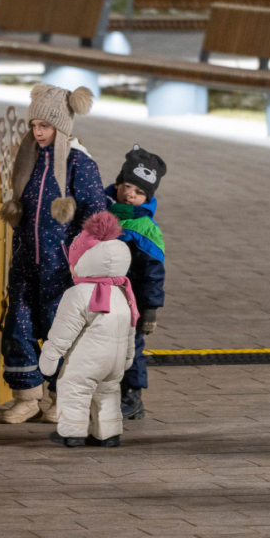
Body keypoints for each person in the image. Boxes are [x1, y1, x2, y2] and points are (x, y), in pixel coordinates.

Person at [0, 84, 107, 424]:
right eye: (34, 126)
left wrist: (84, 260)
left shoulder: (79, 163)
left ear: (61, 126)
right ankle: (29, 396)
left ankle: (63, 396)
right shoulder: (29, 159)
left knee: (62, 333)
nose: (37, 132)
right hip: (27, 262)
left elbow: (96, 217)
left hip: (62, 267)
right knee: (18, 326)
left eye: (44, 126)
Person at [39, 211, 138, 448]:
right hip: (114, 361)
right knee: (108, 391)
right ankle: (109, 433)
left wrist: (51, 356)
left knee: (73, 387)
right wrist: (128, 356)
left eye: (74, 263)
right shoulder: (124, 293)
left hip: (88, 358)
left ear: (86, 262)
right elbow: (130, 328)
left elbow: (64, 330)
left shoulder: (78, 294)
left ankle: (72, 432)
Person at [105, 144, 167, 420]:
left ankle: (132, 394)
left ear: (148, 197)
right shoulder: (100, 212)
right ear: (118, 183)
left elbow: (153, 273)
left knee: (132, 346)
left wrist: (150, 308)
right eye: (127, 186)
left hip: (130, 301)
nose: (130, 194)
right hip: (100, 297)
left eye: (139, 192)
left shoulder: (145, 229)